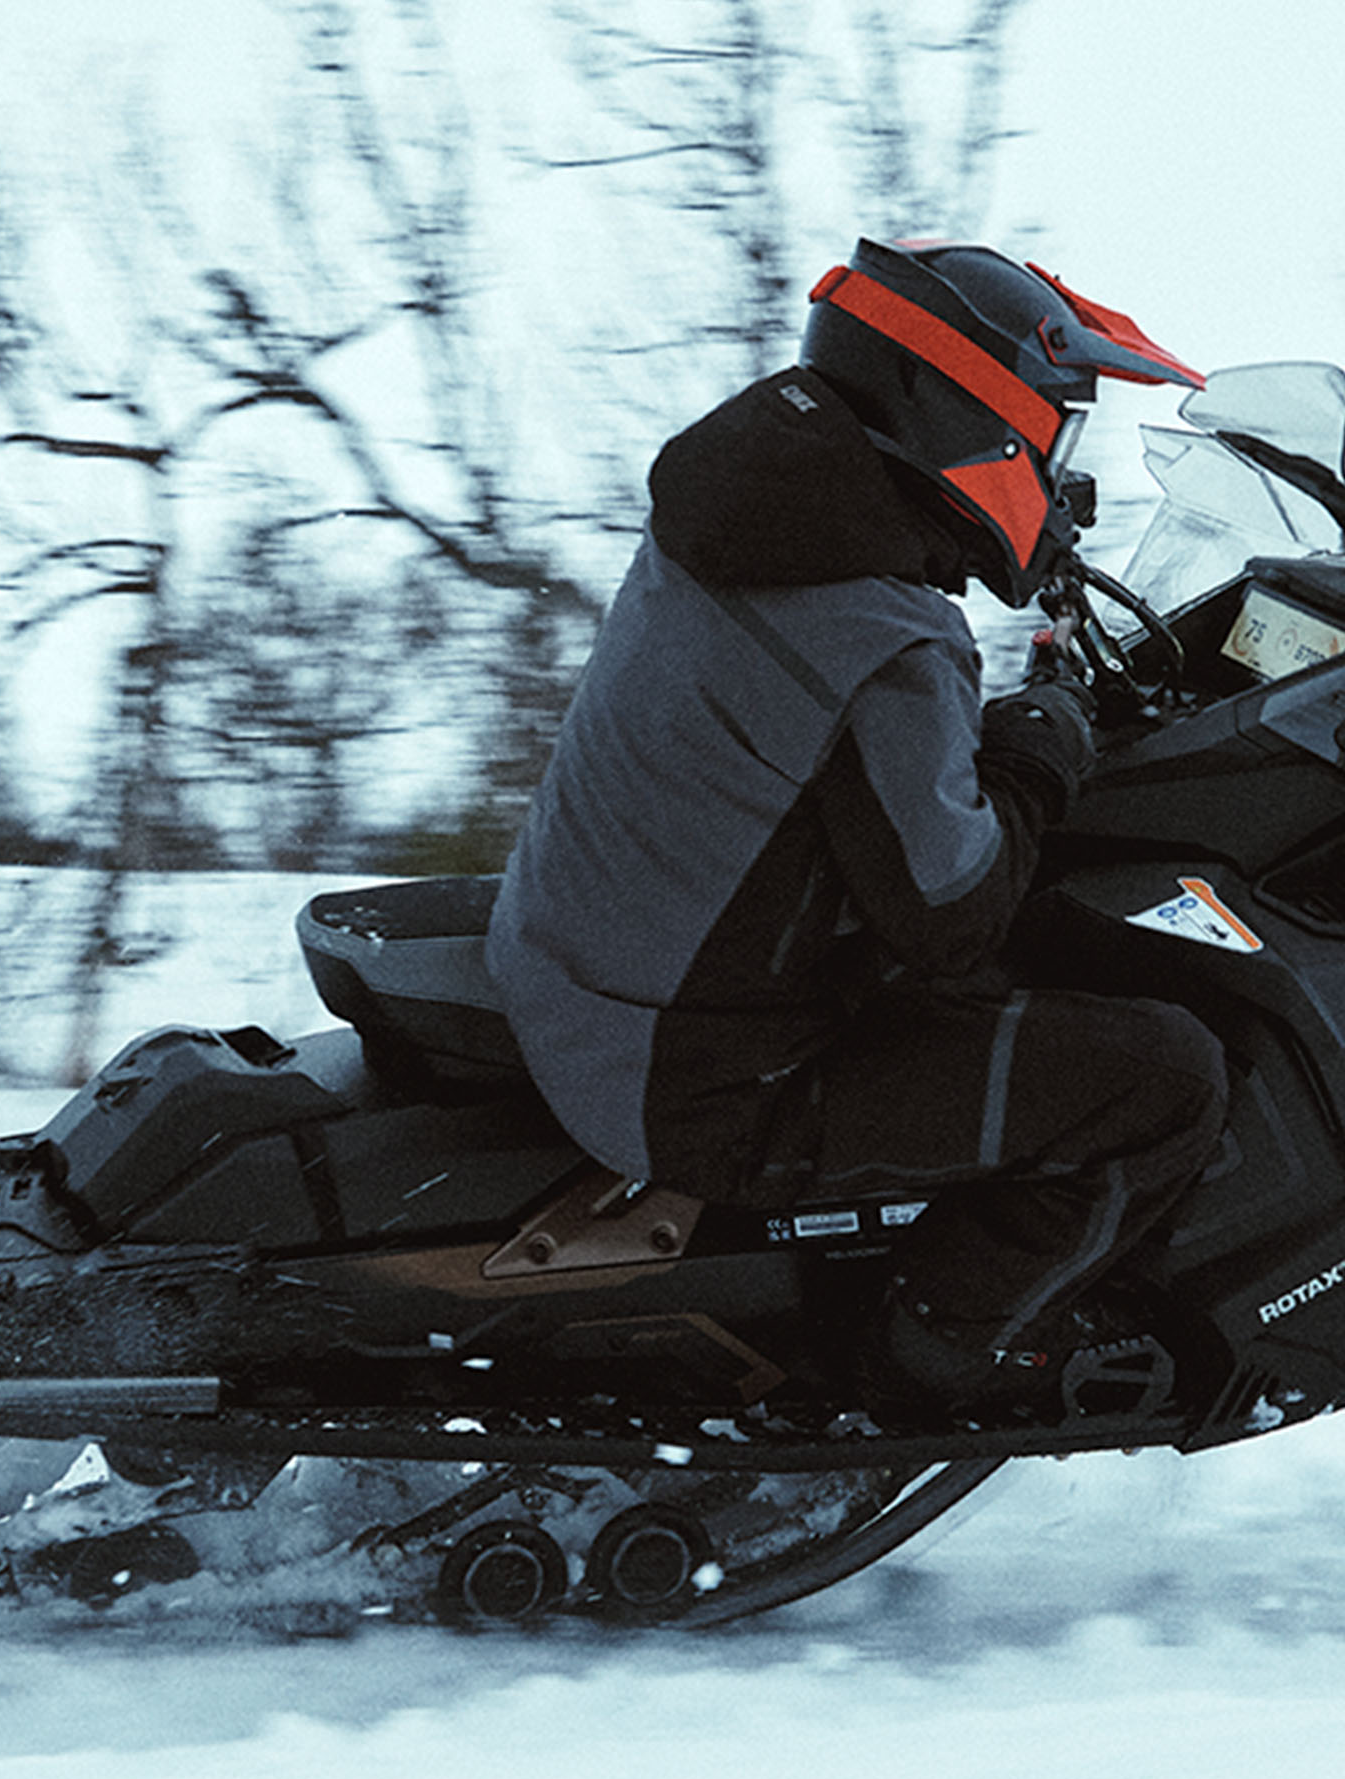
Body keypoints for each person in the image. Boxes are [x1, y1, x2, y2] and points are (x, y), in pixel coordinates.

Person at [486, 238, 1229, 1414]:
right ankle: (911, 1373)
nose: (1052, 468)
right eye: (1049, 433)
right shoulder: (883, 629)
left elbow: (820, 763)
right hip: (697, 1078)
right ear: (968, 413)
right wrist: (1039, 750)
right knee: (1164, 1080)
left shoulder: (759, 515)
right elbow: (952, 910)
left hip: (595, 979)